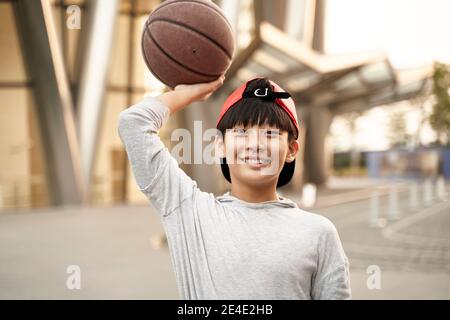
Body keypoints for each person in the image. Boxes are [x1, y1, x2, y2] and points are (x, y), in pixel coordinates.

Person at [118, 76, 351, 299]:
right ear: (219, 145)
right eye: (241, 132)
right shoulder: (190, 212)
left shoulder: (319, 233)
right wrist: (185, 94)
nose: (255, 144)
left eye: (270, 133)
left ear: (291, 150)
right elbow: (133, 123)